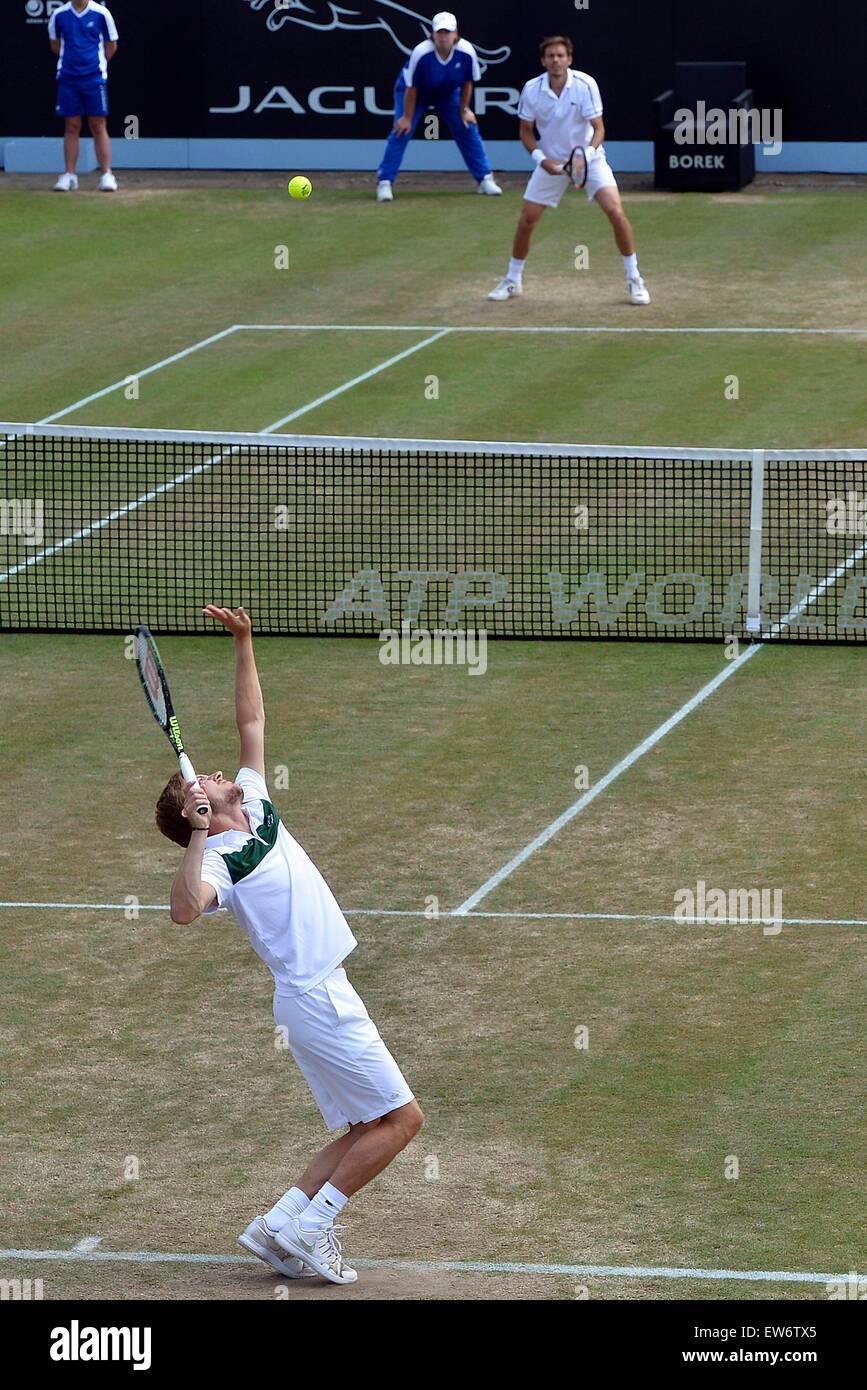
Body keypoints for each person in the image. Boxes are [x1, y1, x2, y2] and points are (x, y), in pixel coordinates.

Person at [156, 605, 423, 1286]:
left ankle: (279, 1222)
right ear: (201, 810)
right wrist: (194, 835)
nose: (220, 770)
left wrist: (244, 643)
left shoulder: (256, 800)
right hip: (315, 998)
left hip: (321, 993)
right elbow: (184, 912)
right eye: (205, 783)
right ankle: (314, 1225)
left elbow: (252, 722)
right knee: (401, 1121)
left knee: (369, 1123)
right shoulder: (217, 859)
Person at [488, 34, 650, 305]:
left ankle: (635, 280)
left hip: (590, 160)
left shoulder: (586, 85)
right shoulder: (531, 89)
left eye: (561, 56)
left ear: (569, 59)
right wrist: (541, 159)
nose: (556, 60)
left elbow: (599, 129)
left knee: (616, 212)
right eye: (550, 56)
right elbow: (526, 131)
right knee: (526, 220)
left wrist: (584, 157)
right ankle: (513, 279)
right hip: (551, 161)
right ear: (543, 61)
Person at [376, 10, 501, 201]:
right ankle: (384, 182)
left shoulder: (467, 52)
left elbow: (468, 83)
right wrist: (407, 117)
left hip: (447, 94)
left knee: (467, 127)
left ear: (455, 34)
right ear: (433, 34)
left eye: (447, 32)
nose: (443, 36)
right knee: (402, 130)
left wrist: (464, 110)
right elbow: (411, 87)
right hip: (414, 94)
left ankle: (485, 179)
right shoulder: (421, 52)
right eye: (439, 32)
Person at [48, 0, 119, 193]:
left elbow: (111, 46)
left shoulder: (102, 13)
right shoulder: (59, 15)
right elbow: (56, 46)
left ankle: (106, 175)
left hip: (94, 79)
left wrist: (94, 65)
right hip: (68, 79)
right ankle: (70, 176)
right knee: (71, 126)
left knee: (98, 125)